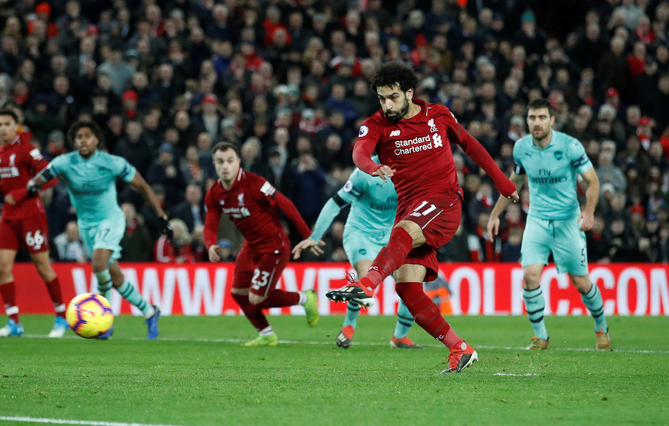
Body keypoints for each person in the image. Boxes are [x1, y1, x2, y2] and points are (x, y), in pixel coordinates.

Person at [326, 61, 518, 373]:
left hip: (444, 200)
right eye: (382, 99)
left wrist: (502, 182)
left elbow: (471, 145)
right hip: (411, 207)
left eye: (393, 97)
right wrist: (372, 167)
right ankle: (460, 347)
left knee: (402, 232)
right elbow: (360, 151)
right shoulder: (376, 124)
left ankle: (367, 284)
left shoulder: (438, 115)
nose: (387, 105)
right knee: (407, 288)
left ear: (409, 93)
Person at [28, 120, 170, 340]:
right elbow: (44, 175)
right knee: (115, 277)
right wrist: (32, 185)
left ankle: (103, 321)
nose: (83, 140)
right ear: (73, 141)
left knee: (98, 263)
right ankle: (150, 312)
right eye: (78, 137)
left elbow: (142, 185)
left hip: (111, 220)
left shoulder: (110, 162)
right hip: (87, 226)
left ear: (96, 140)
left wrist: (161, 215)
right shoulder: (65, 162)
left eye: (87, 136)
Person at [486, 98, 610, 350]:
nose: (537, 122)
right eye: (532, 118)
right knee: (530, 275)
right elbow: (515, 182)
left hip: (567, 221)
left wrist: (588, 212)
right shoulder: (521, 148)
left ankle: (601, 328)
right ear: (527, 121)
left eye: (542, 117)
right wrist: (495, 214)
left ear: (552, 120)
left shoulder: (569, 146)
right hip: (537, 220)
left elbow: (593, 181)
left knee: (581, 283)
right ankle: (540, 337)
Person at [292, 156, 422, 350]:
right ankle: (348, 327)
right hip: (360, 233)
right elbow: (336, 203)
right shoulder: (364, 173)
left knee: (411, 283)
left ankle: (400, 337)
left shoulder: (411, 171)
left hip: (392, 235)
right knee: (367, 276)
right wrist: (315, 235)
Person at [204, 142, 319, 346]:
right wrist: (210, 244)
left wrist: (307, 234)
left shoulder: (254, 183)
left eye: (230, 161)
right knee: (238, 293)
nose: (225, 166)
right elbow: (210, 225)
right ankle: (266, 333)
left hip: (274, 247)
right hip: (251, 247)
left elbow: (285, 204)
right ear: (214, 164)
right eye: (220, 162)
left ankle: (305, 298)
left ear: (238, 162)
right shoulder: (215, 193)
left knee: (256, 298)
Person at [0, 109, 68, 338]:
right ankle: (14, 322)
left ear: (17, 126)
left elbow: (51, 178)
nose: (3, 128)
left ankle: (61, 317)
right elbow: (9, 186)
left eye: (8, 123)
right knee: (2, 267)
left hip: (31, 215)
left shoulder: (27, 149)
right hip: (9, 217)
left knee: (42, 266)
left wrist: (20, 194)